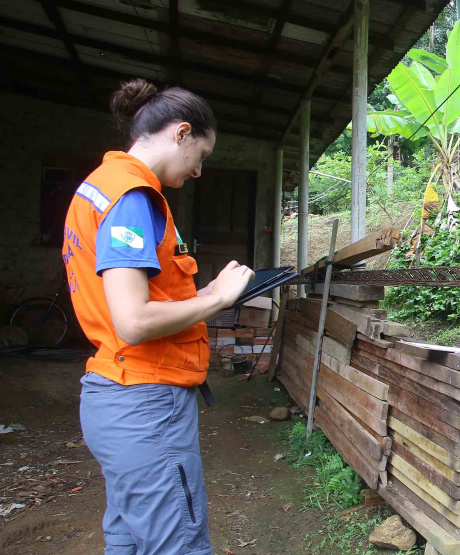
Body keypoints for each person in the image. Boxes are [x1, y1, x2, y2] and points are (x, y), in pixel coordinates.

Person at [62, 78, 254, 555]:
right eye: (202, 155)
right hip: (144, 402)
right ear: (181, 133)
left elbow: (135, 299)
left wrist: (207, 288)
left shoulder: (100, 187)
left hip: (113, 390)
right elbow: (134, 320)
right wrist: (216, 302)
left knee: (127, 537)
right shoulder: (133, 197)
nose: (199, 172)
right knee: (177, 545)